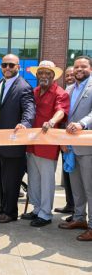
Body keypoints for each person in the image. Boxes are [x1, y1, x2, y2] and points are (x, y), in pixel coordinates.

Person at [21, 61, 69, 227]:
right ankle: (37, 208)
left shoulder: (60, 93)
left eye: (47, 73)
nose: (44, 76)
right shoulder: (33, 91)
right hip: (32, 143)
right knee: (34, 179)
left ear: (53, 75)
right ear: (36, 75)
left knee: (47, 180)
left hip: (48, 145)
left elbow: (61, 111)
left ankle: (46, 214)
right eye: (40, 73)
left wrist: (52, 121)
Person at [0, 54, 35, 223]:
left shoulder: (23, 86)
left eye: (11, 65)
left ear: (18, 67)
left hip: (14, 141)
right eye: (4, 65)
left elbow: (29, 109)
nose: (7, 68)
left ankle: (10, 213)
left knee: (12, 179)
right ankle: (3, 206)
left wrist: (25, 124)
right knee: (1, 177)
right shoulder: (1, 82)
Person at [58, 56, 92, 241]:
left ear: (91, 69)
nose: (79, 69)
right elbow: (64, 116)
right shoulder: (69, 89)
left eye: (83, 66)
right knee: (77, 187)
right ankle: (79, 218)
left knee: (90, 188)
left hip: (88, 147)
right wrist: (62, 139)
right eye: (76, 66)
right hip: (70, 147)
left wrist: (82, 124)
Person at [54, 66, 75, 216]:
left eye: (72, 75)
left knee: (78, 178)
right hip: (65, 141)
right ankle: (70, 205)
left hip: (81, 141)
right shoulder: (65, 92)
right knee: (67, 175)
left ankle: (78, 211)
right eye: (67, 75)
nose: (69, 77)